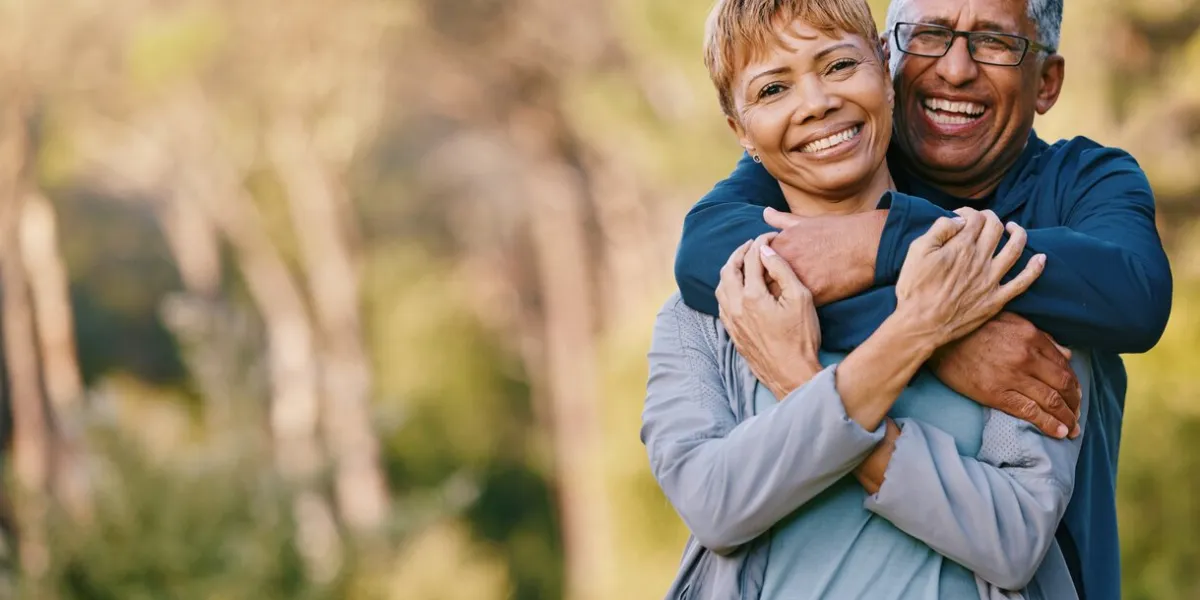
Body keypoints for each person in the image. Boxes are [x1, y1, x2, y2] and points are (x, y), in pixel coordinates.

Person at [672, 0, 1172, 597]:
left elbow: (1135, 297)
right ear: (890, 56)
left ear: (1048, 82)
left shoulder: (1082, 187)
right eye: (929, 35)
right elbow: (704, 253)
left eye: (993, 43)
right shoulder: (834, 153)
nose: (956, 69)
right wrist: (940, 335)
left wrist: (880, 244)